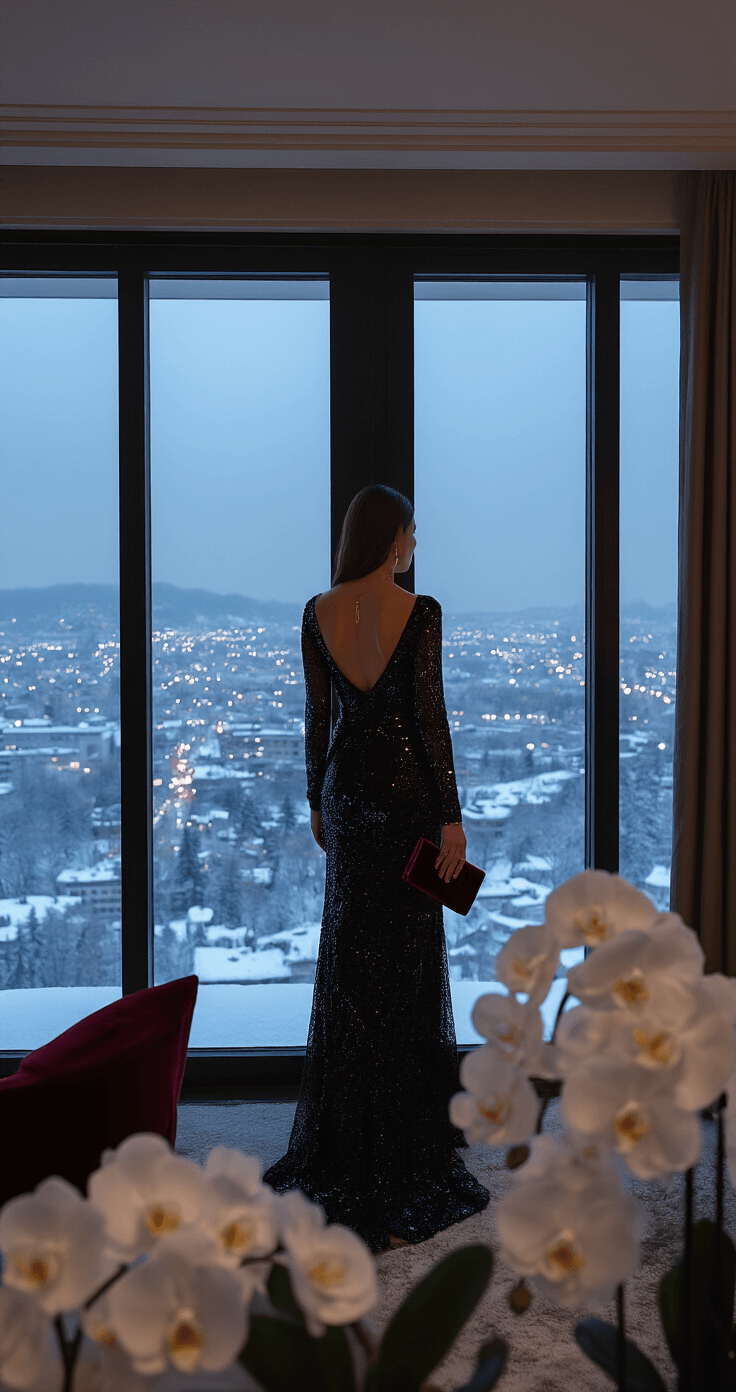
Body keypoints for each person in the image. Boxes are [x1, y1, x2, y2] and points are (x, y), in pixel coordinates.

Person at [263, 485, 489, 1252]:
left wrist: (316, 801)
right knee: (407, 965)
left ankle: (344, 1139)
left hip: (347, 799)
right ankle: (403, 1143)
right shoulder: (419, 612)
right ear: (391, 537)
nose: (415, 543)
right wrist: (451, 815)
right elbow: (430, 718)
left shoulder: (316, 612)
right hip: (406, 802)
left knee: (351, 961)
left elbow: (318, 718)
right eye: (411, 532)